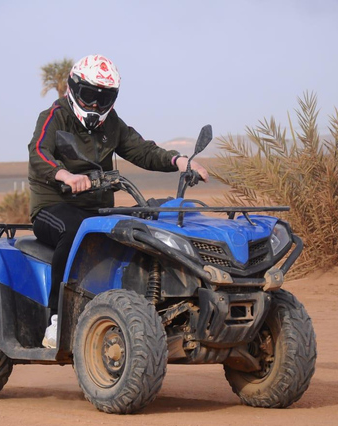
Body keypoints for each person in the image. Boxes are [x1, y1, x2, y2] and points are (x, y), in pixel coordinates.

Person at [27, 54, 209, 348]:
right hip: (53, 207)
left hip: (98, 209)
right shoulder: (55, 115)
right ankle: (57, 319)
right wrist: (64, 175)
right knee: (74, 232)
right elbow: (39, 152)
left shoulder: (111, 123)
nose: (97, 106)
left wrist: (179, 161)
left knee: (151, 217)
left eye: (105, 98)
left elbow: (142, 150)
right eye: (89, 96)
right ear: (74, 89)